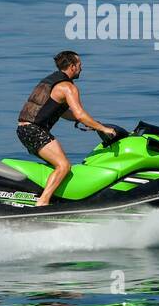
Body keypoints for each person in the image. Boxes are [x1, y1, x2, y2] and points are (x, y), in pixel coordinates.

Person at [17, 51, 118, 206]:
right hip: (35, 130)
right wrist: (103, 128)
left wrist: (90, 123)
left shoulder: (50, 81)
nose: (81, 69)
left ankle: (52, 198)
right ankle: (42, 203)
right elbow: (79, 114)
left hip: (24, 130)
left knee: (56, 166)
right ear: (72, 67)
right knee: (63, 165)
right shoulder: (68, 87)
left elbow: (63, 112)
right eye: (79, 65)